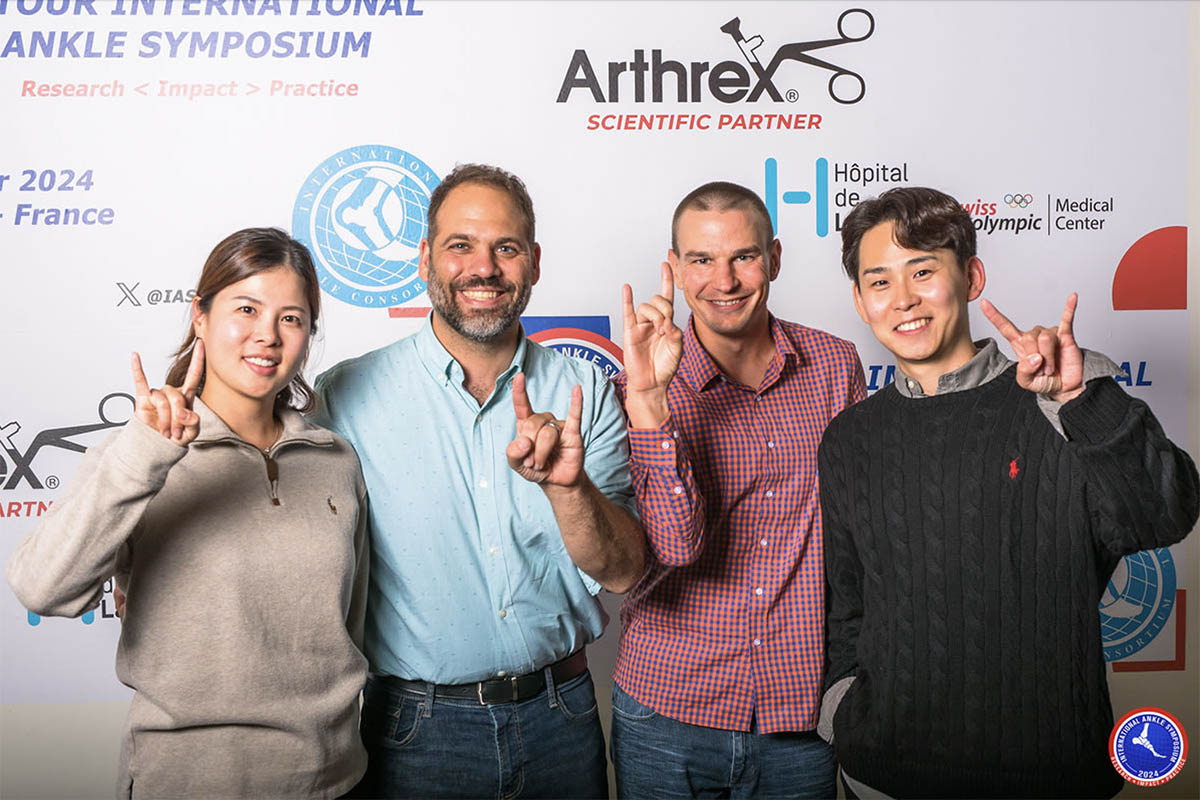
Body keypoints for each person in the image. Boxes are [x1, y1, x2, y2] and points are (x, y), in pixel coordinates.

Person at [818, 186, 1199, 798]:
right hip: (884, 774)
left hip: (1049, 772)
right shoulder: (851, 436)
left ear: (971, 276)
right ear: (861, 301)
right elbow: (847, 600)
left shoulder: (1060, 395)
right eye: (880, 281)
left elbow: (1163, 516)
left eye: (923, 271)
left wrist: (1078, 402)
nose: (904, 299)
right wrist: (842, 709)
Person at [313, 163, 645, 799]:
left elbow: (624, 572)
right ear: (425, 258)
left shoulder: (584, 391)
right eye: (460, 245)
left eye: (506, 247)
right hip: (414, 731)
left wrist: (566, 489)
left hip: (562, 719)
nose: (484, 268)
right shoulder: (346, 397)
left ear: (535, 262)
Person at [7, 228, 370, 799]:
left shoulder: (335, 460)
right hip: (189, 780)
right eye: (245, 308)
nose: (267, 335)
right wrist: (146, 455)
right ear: (199, 317)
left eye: (292, 318)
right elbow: (42, 588)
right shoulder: (141, 453)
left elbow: (351, 625)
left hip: (333, 780)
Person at [612, 181, 865, 797]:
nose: (723, 281)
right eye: (701, 260)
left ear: (774, 258)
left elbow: (861, 535)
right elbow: (673, 546)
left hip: (798, 712)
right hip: (669, 710)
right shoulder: (640, 381)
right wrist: (651, 404)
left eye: (743, 257)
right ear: (673, 269)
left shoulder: (835, 365)